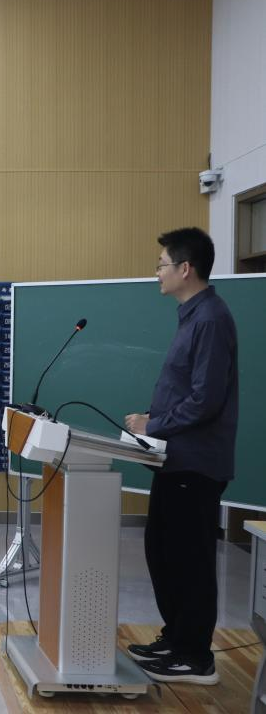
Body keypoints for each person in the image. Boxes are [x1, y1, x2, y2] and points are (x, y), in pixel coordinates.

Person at [123, 227, 238, 685]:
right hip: (175, 458)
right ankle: (176, 638)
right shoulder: (193, 316)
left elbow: (206, 400)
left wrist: (154, 425)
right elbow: (188, 391)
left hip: (196, 461)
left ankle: (196, 657)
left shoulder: (210, 319)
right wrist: (153, 417)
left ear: (185, 268)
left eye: (162, 265)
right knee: (163, 550)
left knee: (189, 560)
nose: (157, 273)